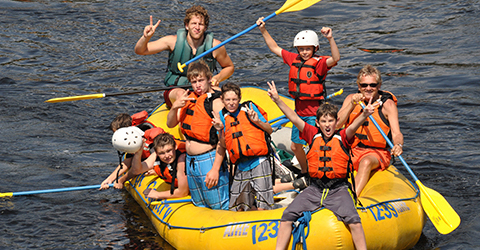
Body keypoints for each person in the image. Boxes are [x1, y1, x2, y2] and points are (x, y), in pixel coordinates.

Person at [267, 80, 368, 250]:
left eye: (330, 121)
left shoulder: (343, 136)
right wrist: (277, 99)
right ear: (317, 123)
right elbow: (293, 117)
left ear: (336, 122)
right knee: (287, 216)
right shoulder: (311, 134)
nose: (327, 125)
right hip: (314, 189)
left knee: (355, 222)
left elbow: (354, 125)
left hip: (338, 189)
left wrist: (365, 114)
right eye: (324, 121)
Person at [256, 17, 340, 182]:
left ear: (314, 48)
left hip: (315, 113)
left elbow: (335, 58)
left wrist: (330, 38)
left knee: (316, 145)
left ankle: (323, 172)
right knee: (295, 146)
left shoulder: (319, 63)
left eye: (307, 49)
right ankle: (305, 172)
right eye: (301, 49)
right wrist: (263, 30)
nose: (304, 52)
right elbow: (274, 47)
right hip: (299, 111)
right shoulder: (293, 59)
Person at [134, 5, 234, 108]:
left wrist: (217, 77)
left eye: (201, 24)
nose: (197, 27)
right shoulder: (172, 41)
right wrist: (146, 37)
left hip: (204, 87)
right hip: (176, 88)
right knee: (182, 95)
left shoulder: (215, 46)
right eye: (194, 23)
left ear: (205, 27)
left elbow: (229, 67)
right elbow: (140, 51)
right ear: (187, 26)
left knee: (222, 96)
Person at [166, 61, 229, 210]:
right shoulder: (189, 98)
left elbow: (224, 137)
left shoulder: (216, 101)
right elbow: (170, 124)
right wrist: (175, 107)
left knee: (218, 204)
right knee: (199, 205)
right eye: (193, 82)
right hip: (191, 161)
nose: (197, 85)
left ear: (209, 79)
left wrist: (215, 169)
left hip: (209, 159)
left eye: (200, 80)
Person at [336, 65, 404, 197]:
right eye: (364, 85)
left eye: (372, 85)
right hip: (352, 150)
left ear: (379, 86)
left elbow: (397, 133)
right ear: (358, 85)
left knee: (365, 162)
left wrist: (398, 145)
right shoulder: (351, 99)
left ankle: (351, 197)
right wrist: (351, 104)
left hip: (377, 153)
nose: (368, 88)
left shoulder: (387, 105)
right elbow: (337, 125)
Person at [212, 82, 274, 211]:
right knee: (237, 206)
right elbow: (224, 144)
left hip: (259, 162)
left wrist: (257, 121)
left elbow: (269, 130)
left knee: (263, 205)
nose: (231, 103)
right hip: (241, 165)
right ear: (222, 100)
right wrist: (220, 130)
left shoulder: (249, 108)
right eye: (228, 100)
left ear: (239, 99)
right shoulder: (222, 117)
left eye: (234, 99)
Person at [100, 112, 161, 190]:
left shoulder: (149, 138)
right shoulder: (132, 138)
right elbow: (127, 161)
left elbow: (136, 170)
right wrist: (110, 179)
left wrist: (121, 180)